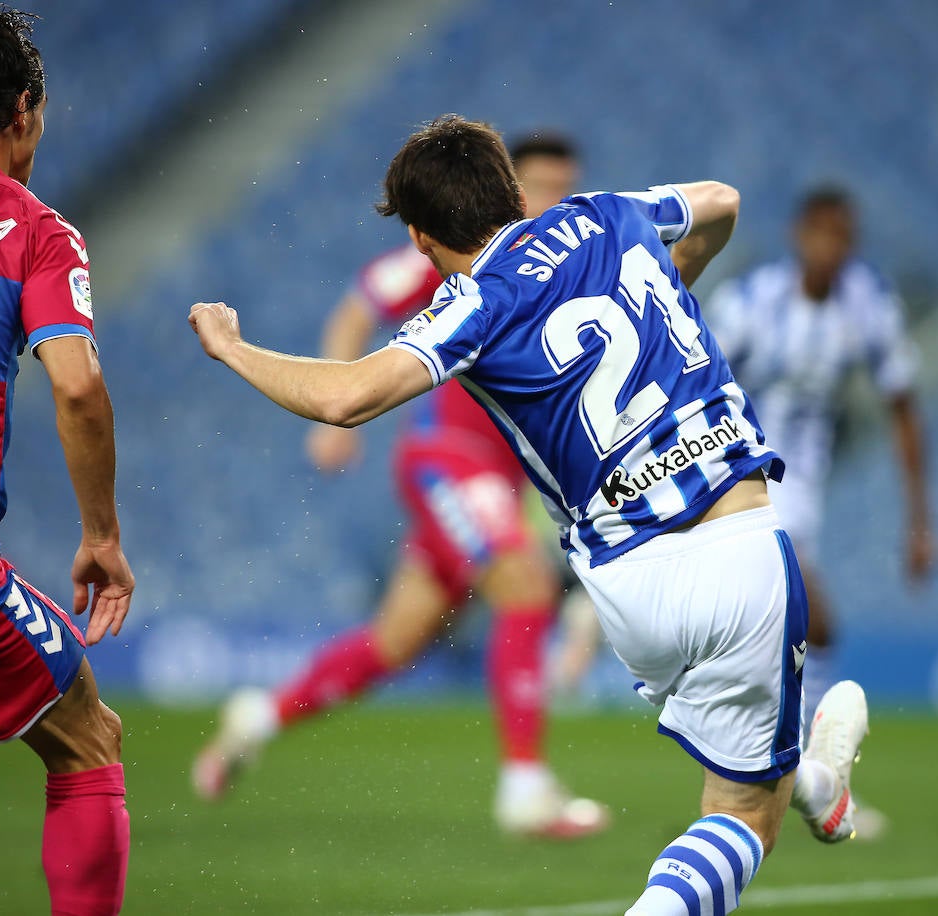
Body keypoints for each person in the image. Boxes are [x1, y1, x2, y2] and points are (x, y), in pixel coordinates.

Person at [190, 114, 868, 915]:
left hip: (623, 588)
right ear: (514, 187)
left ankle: (818, 785)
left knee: (405, 637)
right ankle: (543, 786)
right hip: (729, 538)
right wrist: (677, 273)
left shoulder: (467, 300)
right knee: (740, 816)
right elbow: (720, 199)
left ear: (420, 238)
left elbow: (346, 395)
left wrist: (233, 347)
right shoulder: (607, 216)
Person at [192, 134, 607, 837]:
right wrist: (336, 423)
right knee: (525, 582)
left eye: (562, 187)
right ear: (510, 186)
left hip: (498, 480)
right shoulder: (471, 251)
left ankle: (258, 718)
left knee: (394, 644)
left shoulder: (570, 261)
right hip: (448, 458)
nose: (550, 199)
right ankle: (525, 786)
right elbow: (359, 306)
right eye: (537, 183)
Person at [0, 3, 135, 914]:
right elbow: (75, 384)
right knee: (85, 737)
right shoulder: (32, 227)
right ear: (20, 110)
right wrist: (100, 533)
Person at [706, 186, 936, 722]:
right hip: (741, 470)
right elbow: (696, 376)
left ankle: (793, 760)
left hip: (805, 484)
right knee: (814, 619)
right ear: (798, 236)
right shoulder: (751, 301)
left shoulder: (868, 303)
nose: (833, 248)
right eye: (823, 234)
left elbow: (903, 407)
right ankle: (813, 770)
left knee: (789, 624)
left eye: (845, 238)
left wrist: (920, 521)